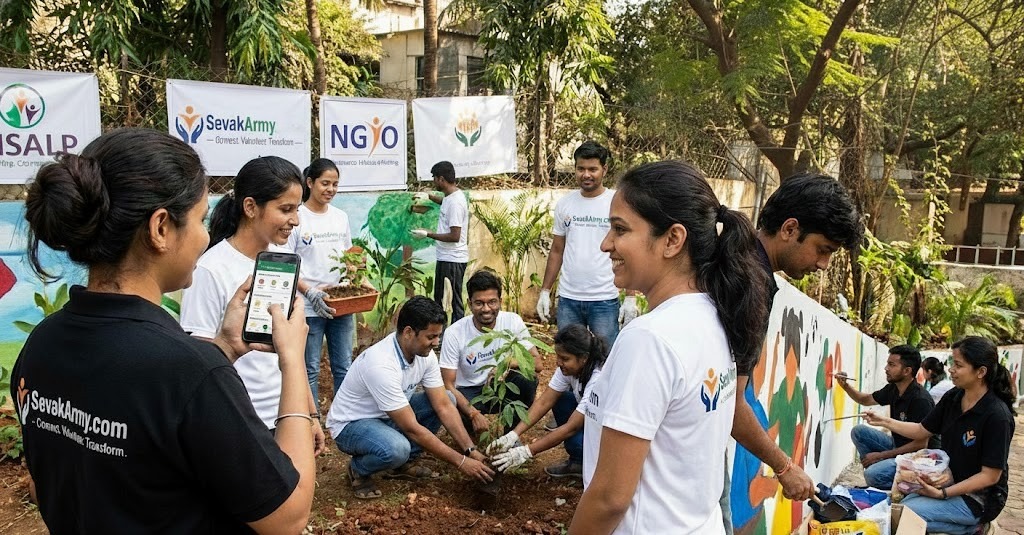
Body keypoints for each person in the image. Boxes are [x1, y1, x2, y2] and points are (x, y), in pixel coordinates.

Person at [12, 128, 315, 532]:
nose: (207, 234)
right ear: (160, 229)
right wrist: (293, 361)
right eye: (200, 218)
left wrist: (223, 347)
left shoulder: (43, 342)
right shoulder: (187, 369)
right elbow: (288, 518)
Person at [569, 160, 769, 534]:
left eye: (620, 229)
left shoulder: (650, 339)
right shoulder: (715, 314)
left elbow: (611, 497)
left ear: (673, 240)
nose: (605, 244)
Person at [726, 172, 863, 531]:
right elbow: (730, 403)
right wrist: (785, 468)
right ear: (789, 228)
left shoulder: (735, 259)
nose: (823, 264)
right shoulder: (749, 287)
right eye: (823, 249)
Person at [180, 156, 325, 454]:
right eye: (285, 209)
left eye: (296, 209)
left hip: (285, 412)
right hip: (237, 420)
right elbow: (201, 362)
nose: (295, 221)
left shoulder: (280, 267)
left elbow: (291, 354)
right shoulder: (211, 270)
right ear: (250, 207)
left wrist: (309, 414)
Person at [326, 296, 494, 499]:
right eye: (431, 337)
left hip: (388, 416)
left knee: (448, 399)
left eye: (438, 336)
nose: (436, 342)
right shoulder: (381, 364)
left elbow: (443, 405)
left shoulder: (426, 356)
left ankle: (402, 465)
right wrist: (461, 462)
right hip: (352, 425)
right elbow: (411, 428)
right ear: (408, 332)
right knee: (397, 448)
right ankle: (359, 469)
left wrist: (470, 450)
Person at [864, 336, 1016, 534]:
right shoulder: (954, 397)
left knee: (905, 513)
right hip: (948, 479)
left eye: (958, 365)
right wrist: (884, 421)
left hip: (979, 499)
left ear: (981, 372)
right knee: (900, 505)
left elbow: (989, 476)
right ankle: (969, 527)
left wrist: (941, 493)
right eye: (952, 362)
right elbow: (921, 430)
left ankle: (975, 527)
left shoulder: (997, 416)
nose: (951, 369)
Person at [536, 141, 637, 345]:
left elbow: (627, 248)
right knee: (570, 358)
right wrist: (545, 291)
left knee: (605, 358)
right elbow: (557, 250)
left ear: (604, 169)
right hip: (568, 299)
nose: (586, 174)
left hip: (605, 298)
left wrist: (630, 296)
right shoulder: (565, 204)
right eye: (581, 169)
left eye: (593, 169)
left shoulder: (615, 202)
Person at [487, 324, 609, 479]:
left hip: (607, 433)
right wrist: (513, 434)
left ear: (584, 358)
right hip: (590, 420)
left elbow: (572, 427)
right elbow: (545, 401)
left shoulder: (598, 379)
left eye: (565, 359)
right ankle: (579, 461)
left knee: (577, 440)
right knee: (562, 399)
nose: (558, 363)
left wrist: (526, 451)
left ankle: (588, 461)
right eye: (558, 356)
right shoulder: (569, 368)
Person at [284, 158, 357, 406]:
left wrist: (358, 277)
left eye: (335, 184)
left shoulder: (340, 217)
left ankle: (343, 417)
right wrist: (310, 291)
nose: (331, 189)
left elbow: (349, 257)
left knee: (343, 366)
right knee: (310, 367)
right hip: (308, 305)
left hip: (341, 303)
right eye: (325, 183)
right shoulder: (297, 218)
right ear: (310, 182)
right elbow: (288, 264)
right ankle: (310, 419)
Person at [439, 270, 541, 437]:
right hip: (469, 392)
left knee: (527, 380)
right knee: (451, 399)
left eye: (492, 302)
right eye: (479, 303)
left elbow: (537, 364)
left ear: (500, 301)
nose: (486, 309)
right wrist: (473, 413)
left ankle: (510, 436)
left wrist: (507, 363)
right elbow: (447, 384)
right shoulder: (454, 333)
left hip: (501, 385)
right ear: (469, 303)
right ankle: (468, 434)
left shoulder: (512, 321)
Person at [835, 345, 937, 489]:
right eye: (887, 363)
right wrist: (845, 385)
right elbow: (865, 399)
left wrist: (881, 455)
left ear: (907, 371)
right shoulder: (894, 389)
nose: (886, 368)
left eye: (891, 365)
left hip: (917, 458)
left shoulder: (921, 400)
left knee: (872, 475)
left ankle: (908, 486)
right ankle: (880, 472)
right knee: (859, 432)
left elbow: (921, 444)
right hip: (898, 447)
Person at [412, 161, 469, 321]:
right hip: (445, 257)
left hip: (453, 259)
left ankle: (456, 337)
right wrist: (429, 197)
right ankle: (440, 336)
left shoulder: (456, 203)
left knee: (452, 301)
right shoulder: (450, 198)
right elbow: (445, 203)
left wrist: (428, 234)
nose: (433, 182)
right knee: (439, 301)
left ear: (441, 179)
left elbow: (454, 236)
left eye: (434, 179)